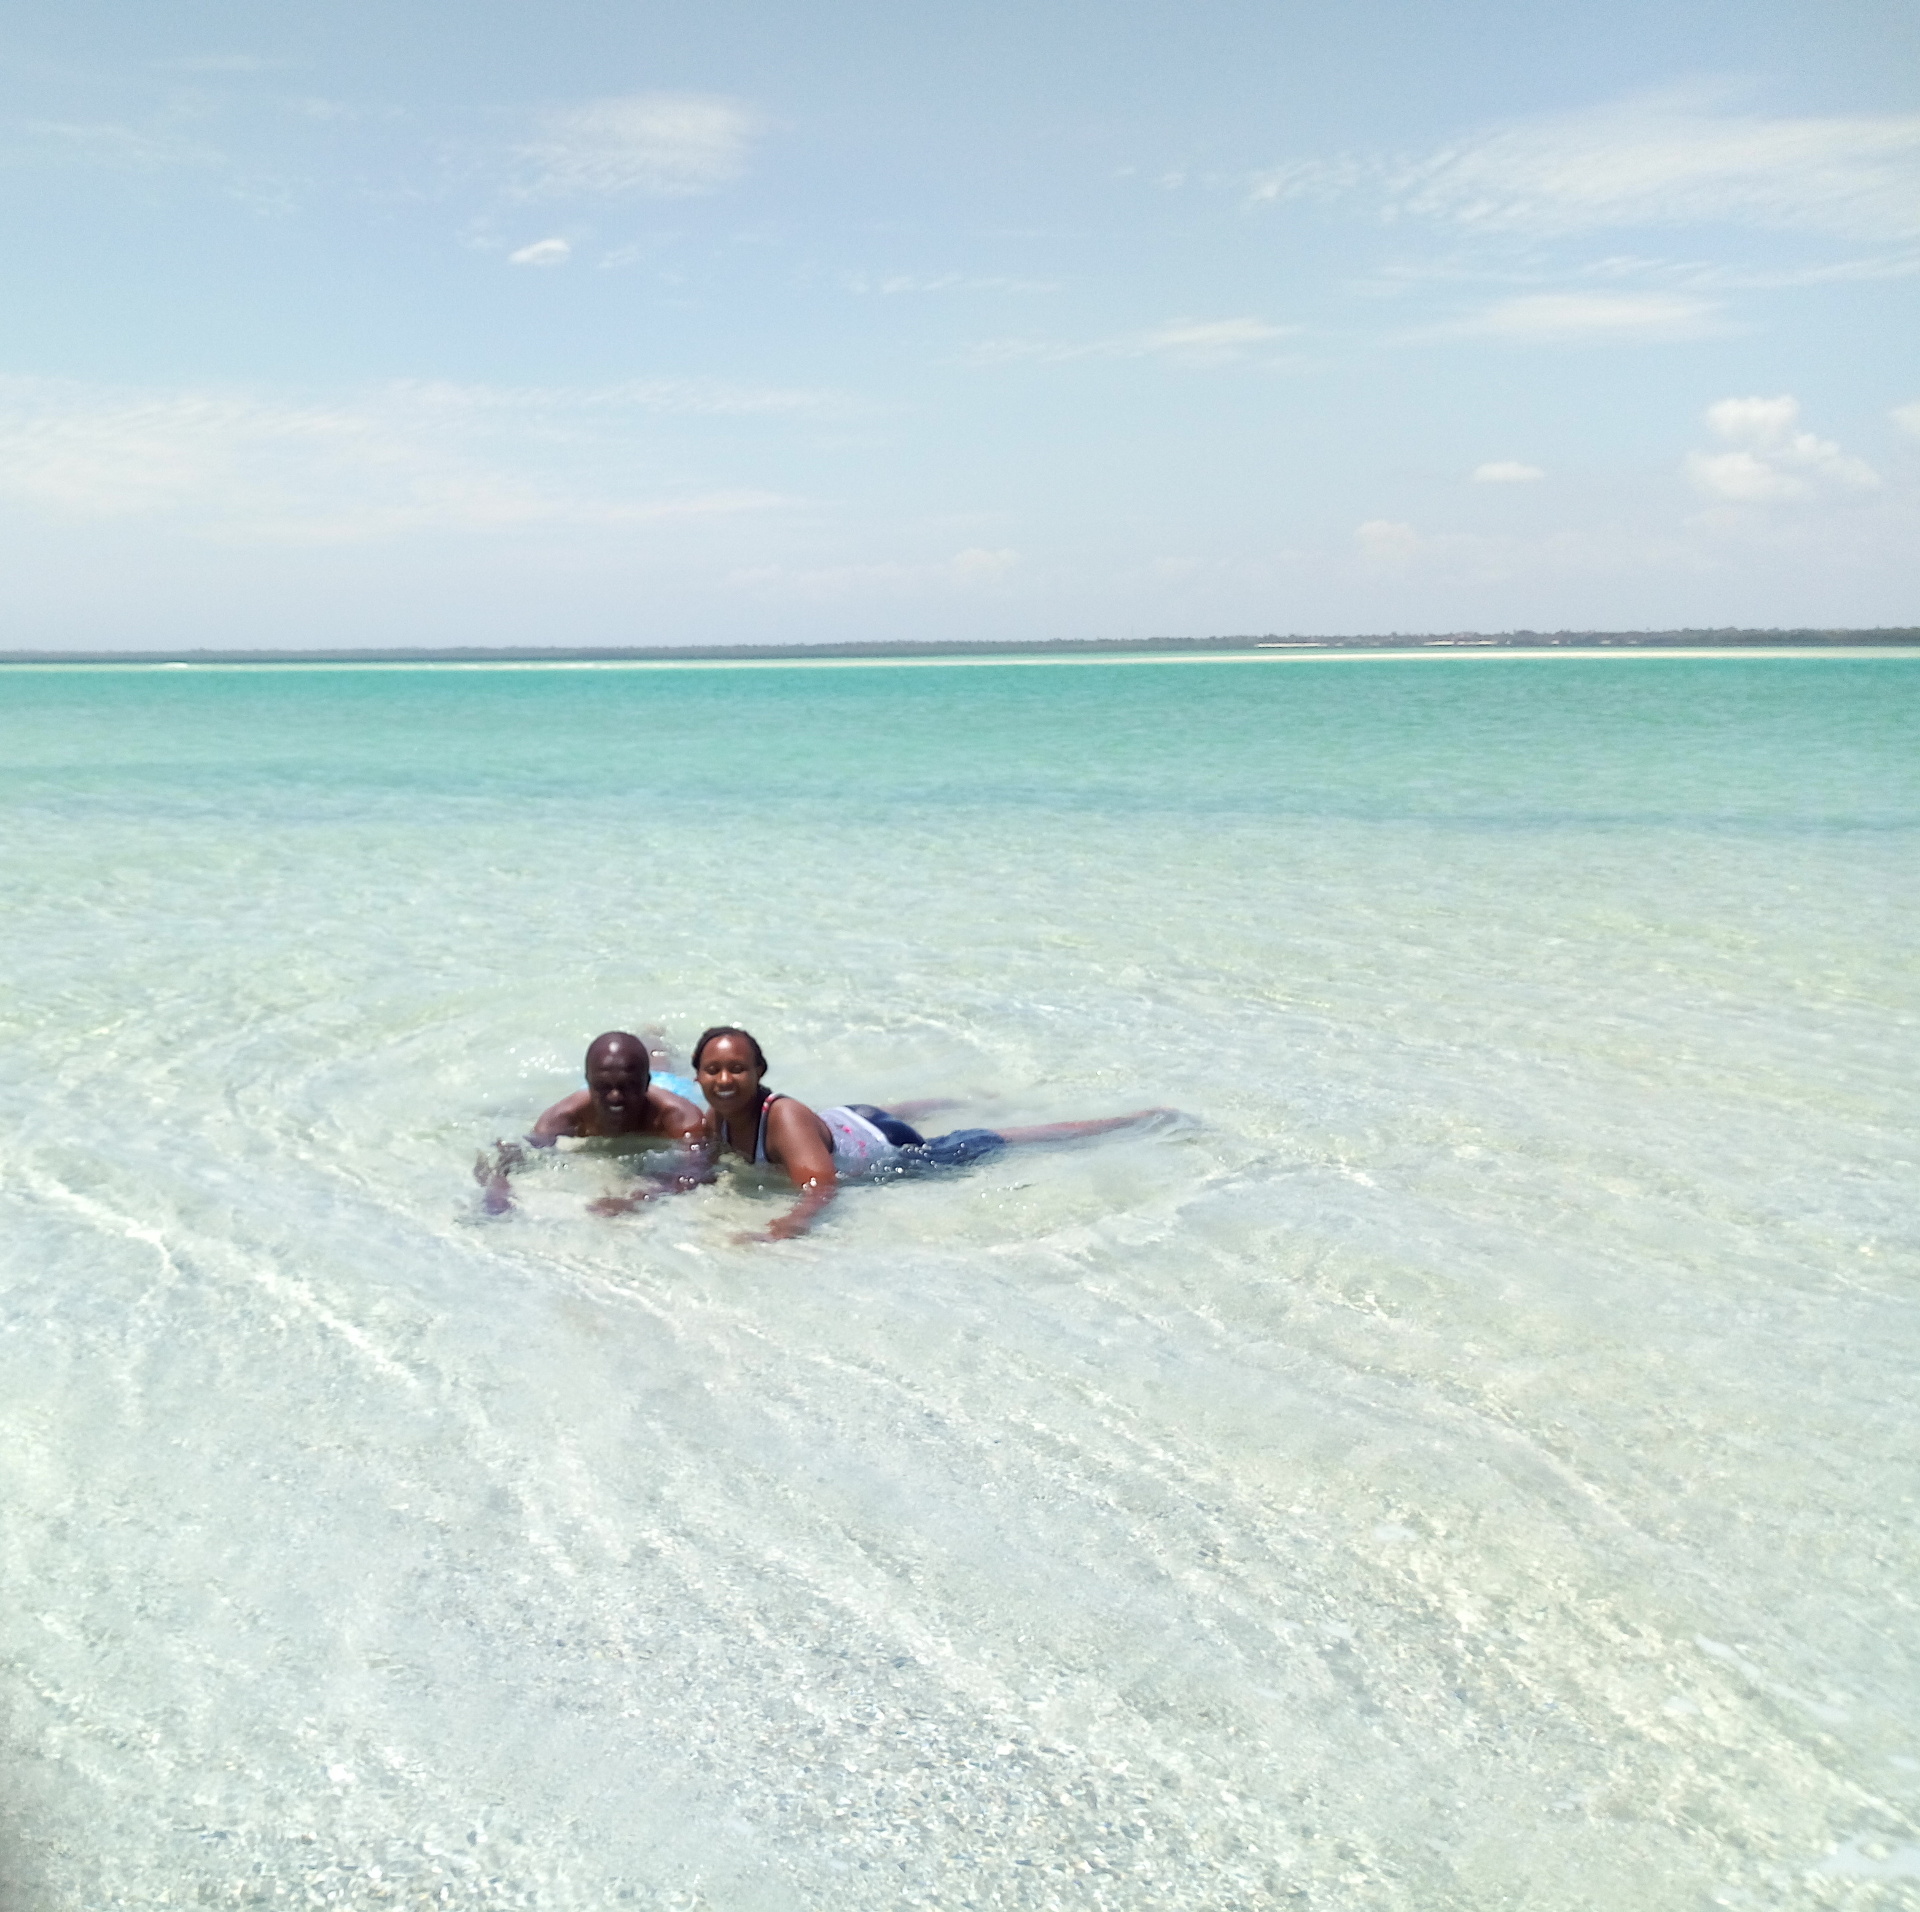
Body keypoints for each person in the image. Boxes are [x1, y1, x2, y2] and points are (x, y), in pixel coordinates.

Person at [691, 1025, 1174, 1242]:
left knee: (1002, 1139)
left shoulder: (785, 1119)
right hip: (849, 1119)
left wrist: (786, 1226)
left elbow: (822, 1187)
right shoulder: (718, 1114)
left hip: (890, 1144)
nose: (725, 1080)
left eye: (737, 1069)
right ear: (698, 1077)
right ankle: (959, 1096)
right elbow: (706, 1165)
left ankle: (1133, 1121)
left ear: (760, 1072)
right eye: (713, 1070)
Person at [476, 1029, 707, 1215]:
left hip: (669, 1086)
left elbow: (695, 1172)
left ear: (645, 1083)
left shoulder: (679, 1117)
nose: (615, 1097)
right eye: (604, 1087)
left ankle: (654, 1039)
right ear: (589, 1082)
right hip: (623, 1077)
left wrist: (639, 1198)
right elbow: (524, 1150)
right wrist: (497, 1184)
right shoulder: (565, 1116)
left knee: (659, 1061)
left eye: (626, 1088)